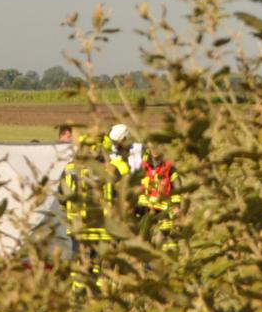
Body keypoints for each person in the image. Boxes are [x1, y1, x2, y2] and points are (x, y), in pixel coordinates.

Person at [60, 124, 133, 291]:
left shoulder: (71, 168)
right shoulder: (114, 169)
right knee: (104, 268)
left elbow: (62, 196)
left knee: (81, 267)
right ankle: (103, 299)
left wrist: (70, 216)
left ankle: (79, 295)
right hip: (103, 228)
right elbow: (123, 197)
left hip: (79, 228)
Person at [137, 143, 181, 253]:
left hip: (164, 208)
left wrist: (176, 206)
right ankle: (147, 264)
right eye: (152, 148)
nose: (155, 150)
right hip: (145, 208)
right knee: (143, 235)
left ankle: (165, 258)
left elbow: (177, 189)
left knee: (165, 234)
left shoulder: (170, 168)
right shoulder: (143, 167)